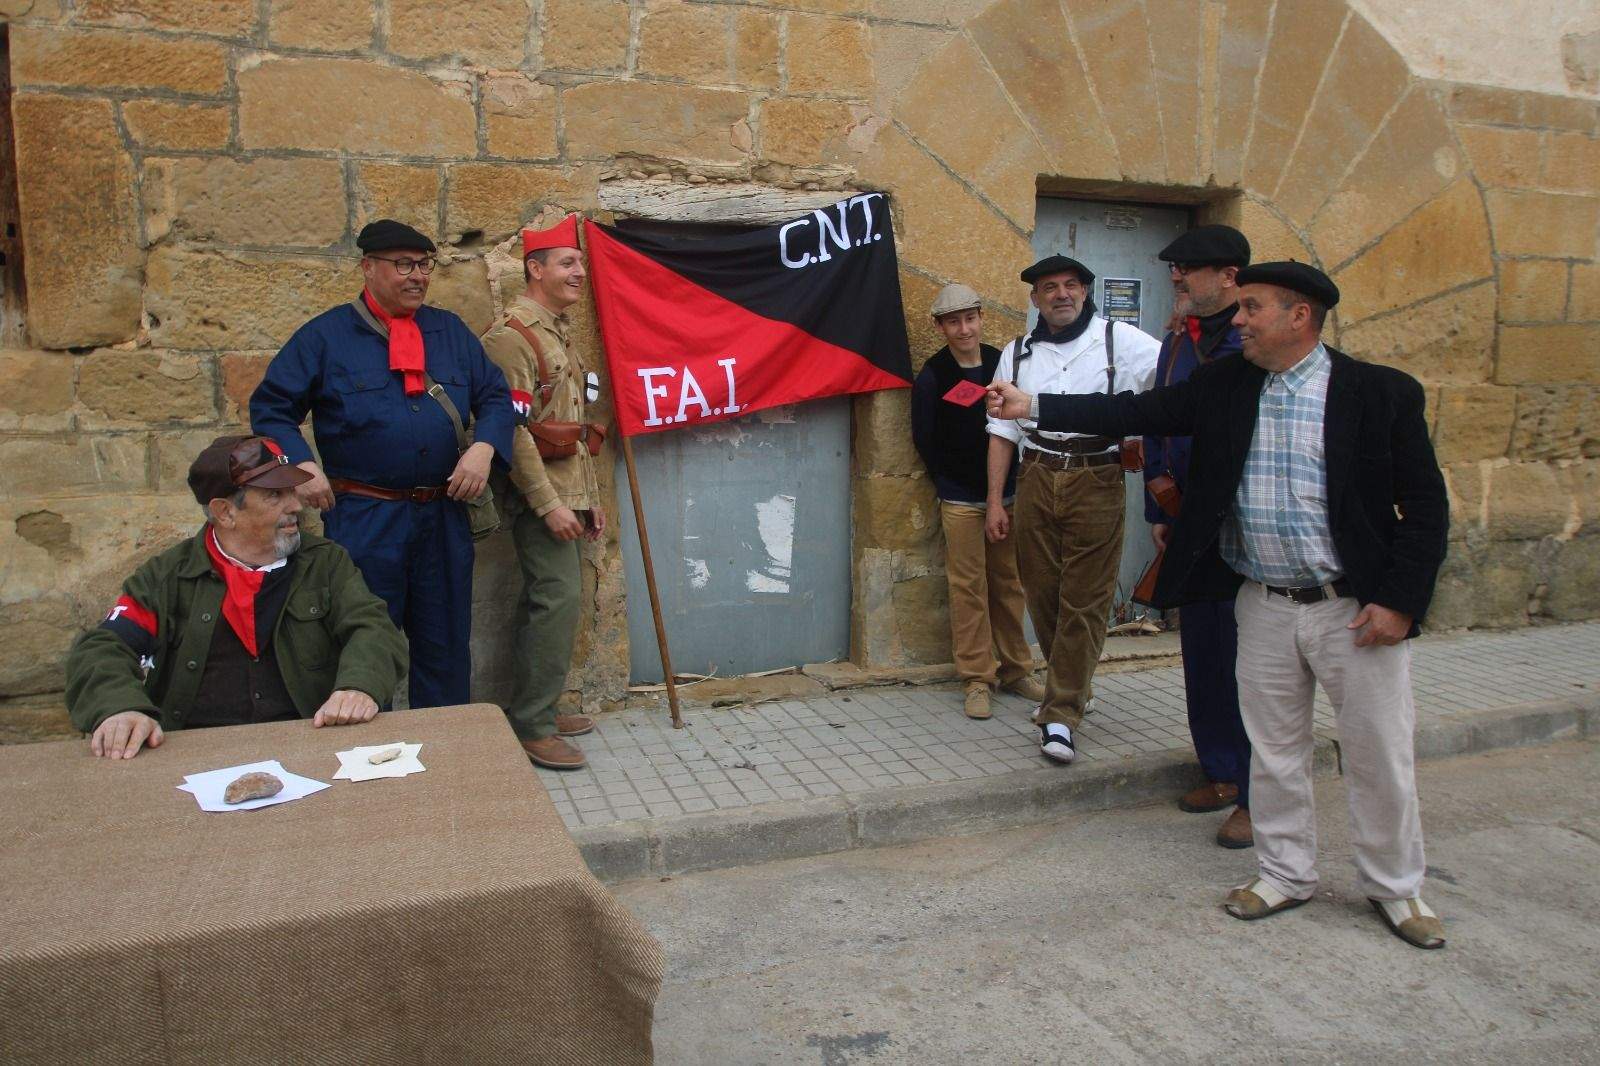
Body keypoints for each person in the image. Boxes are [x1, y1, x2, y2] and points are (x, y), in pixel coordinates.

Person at [987, 262, 1451, 950]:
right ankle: (1286, 873)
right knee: (1274, 750)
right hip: (1260, 600)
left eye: (1252, 309)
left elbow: (1426, 509)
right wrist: (1037, 407)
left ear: (1300, 317)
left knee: (1378, 752)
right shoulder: (1227, 385)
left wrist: (1399, 602)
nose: (1237, 321)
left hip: (1351, 610)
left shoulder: (1379, 394)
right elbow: (1133, 411)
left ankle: (1396, 886)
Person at [250, 219, 515, 709]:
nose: (417, 276)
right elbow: (271, 409)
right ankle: (367, 760)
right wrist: (302, 466)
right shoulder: (325, 338)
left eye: (424, 265)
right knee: (361, 643)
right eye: (403, 265)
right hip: (365, 519)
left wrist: (485, 448)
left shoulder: (450, 332)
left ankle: (448, 756)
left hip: (443, 517)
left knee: (445, 644)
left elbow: (496, 398)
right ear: (368, 268)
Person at [65, 435, 408, 759]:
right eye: (275, 496)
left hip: (309, 742)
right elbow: (103, 648)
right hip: (191, 753)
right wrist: (121, 707)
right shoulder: (165, 576)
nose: (296, 505)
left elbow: (372, 628)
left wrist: (358, 687)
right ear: (225, 512)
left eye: (292, 491)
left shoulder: (326, 563)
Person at [985, 255, 1160, 764]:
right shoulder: (1016, 353)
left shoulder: (1121, 341)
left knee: (1085, 599)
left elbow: (1175, 384)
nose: (1061, 294)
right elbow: (1001, 430)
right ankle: (1073, 684)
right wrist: (997, 500)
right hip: (1037, 474)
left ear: (1085, 291)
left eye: (1070, 286)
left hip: (1097, 475)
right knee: (1042, 593)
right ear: (1035, 298)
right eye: (1048, 288)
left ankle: (1060, 713)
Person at [478, 215, 606, 770]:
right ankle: (532, 724)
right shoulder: (512, 338)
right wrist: (551, 504)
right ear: (535, 268)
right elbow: (512, 430)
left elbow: (575, 426)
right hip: (539, 497)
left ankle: (540, 709)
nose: (580, 272)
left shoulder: (557, 331)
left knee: (556, 603)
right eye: (567, 263)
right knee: (556, 602)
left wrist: (590, 495)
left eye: (580, 262)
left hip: (567, 491)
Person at [1150, 225, 1255, 850]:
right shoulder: (1176, 341)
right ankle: (1220, 769)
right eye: (1174, 270)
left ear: (1230, 276)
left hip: (1246, 524)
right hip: (1188, 519)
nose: (1177, 279)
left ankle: (1254, 788)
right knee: (1206, 652)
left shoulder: (1253, 340)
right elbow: (1158, 414)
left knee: (1256, 665)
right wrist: (1159, 502)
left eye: (1187, 269)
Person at [910, 283, 1046, 721]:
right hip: (961, 499)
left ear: (980, 318)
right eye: (953, 321)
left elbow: (1019, 422)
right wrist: (950, 479)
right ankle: (976, 677)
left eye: (970, 318)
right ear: (940, 326)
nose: (963, 328)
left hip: (1008, 494)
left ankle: (1016, 670)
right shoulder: (933, 375)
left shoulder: (998, 363)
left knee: (1008, 583)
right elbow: (924, 438)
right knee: (968, 587)